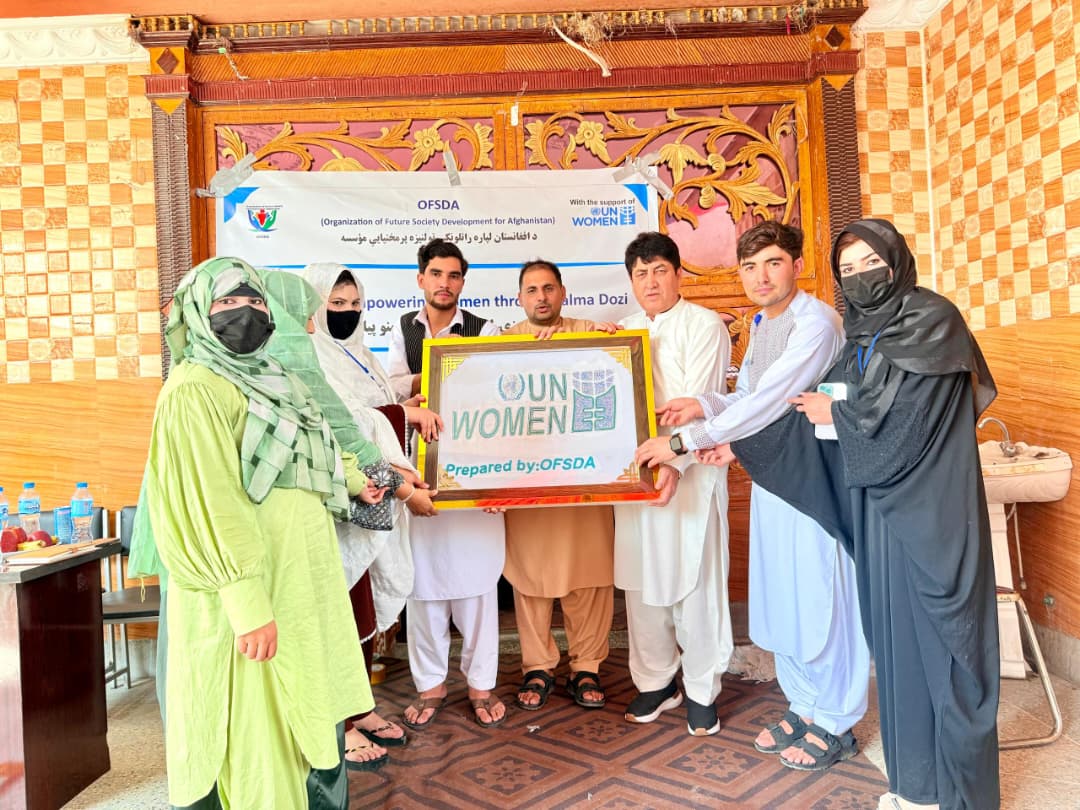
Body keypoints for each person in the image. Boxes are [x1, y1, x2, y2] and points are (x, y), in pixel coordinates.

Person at [729, 219, 1000, 809]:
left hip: (930, 517)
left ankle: (958, 795)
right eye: (847, 270)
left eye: (870, 264)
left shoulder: (932, 322)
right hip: (879, 514)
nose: (860, 279)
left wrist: (837, 414)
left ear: (897, 262)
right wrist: (743, 442)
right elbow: (818, 404)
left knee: (943, 647)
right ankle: (915, 787)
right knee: (897, 648)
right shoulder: (861, 333)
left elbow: (911, 419)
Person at [140, 257, 381, 808]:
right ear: (197, 312)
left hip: (301, 583)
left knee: (308, 713)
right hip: (250, 597)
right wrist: (246, 603)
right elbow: (212, 504)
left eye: (254, 301)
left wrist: (353, 479)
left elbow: (312, 443)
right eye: (226, 302)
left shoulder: (275, 377)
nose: (244, 312)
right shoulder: (194, 390)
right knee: (256, 733)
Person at [635, 221, 869, 771]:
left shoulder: (816, 324)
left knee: (822, 600)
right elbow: (748, 394)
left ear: (796, 265)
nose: (760, 277)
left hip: (813, 483)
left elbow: (770, 401)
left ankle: (837, 720)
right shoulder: (763, 323)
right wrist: (705, 406)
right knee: (783, 596)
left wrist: (683, 441)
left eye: (772, 263)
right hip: (773, 476)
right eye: (749, 267)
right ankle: (803, 705)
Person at [262, 268, 436, 767]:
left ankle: (357, 708)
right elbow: (341, 425)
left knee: (357, 611)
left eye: (354, 304)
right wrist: (402, 472)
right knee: (331, 614)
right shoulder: (297, 358)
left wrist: (400, 408)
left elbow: (361, 418)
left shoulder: (360, 354)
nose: (344, 314)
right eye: (332, 305)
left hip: (360, 498)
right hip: (325, 507)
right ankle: (335, 723)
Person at [613, 232, 733, 736]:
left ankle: (702, 689)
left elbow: (701, 402)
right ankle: (657, 681)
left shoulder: (704, 325)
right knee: (642, 583)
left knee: (695, 583)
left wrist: (674, 464)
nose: (651, 281)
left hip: (692, 473)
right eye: (640, 273)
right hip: (635, 476)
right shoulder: (622, 331)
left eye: (660, 270)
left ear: (678, 274)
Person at [387, 238, 508, 729]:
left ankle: (481, 686)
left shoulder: (485, 329)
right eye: (436, 274)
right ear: (421, 279)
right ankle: (431, 686)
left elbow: (498, 393)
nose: (445, 283)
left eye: (454, 275)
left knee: (477, 587)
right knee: (424, 586)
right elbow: (390, 391)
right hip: (421, 476)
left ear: (462, 282)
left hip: (477, 471)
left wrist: (502, 481)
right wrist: (430, 378)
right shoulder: (402, 330)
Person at [502, 259, 617, 711]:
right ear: (519, 298)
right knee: (530, 576)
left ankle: (586, 666)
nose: (541, 297)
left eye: (549, 288)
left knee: (590, 575)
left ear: (563, 293)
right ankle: (537, 666)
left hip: (584, 478)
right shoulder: (502, 346)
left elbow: (620, 376)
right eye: (532, 290)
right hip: (528, 482)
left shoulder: (591, 333)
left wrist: (605, 344)